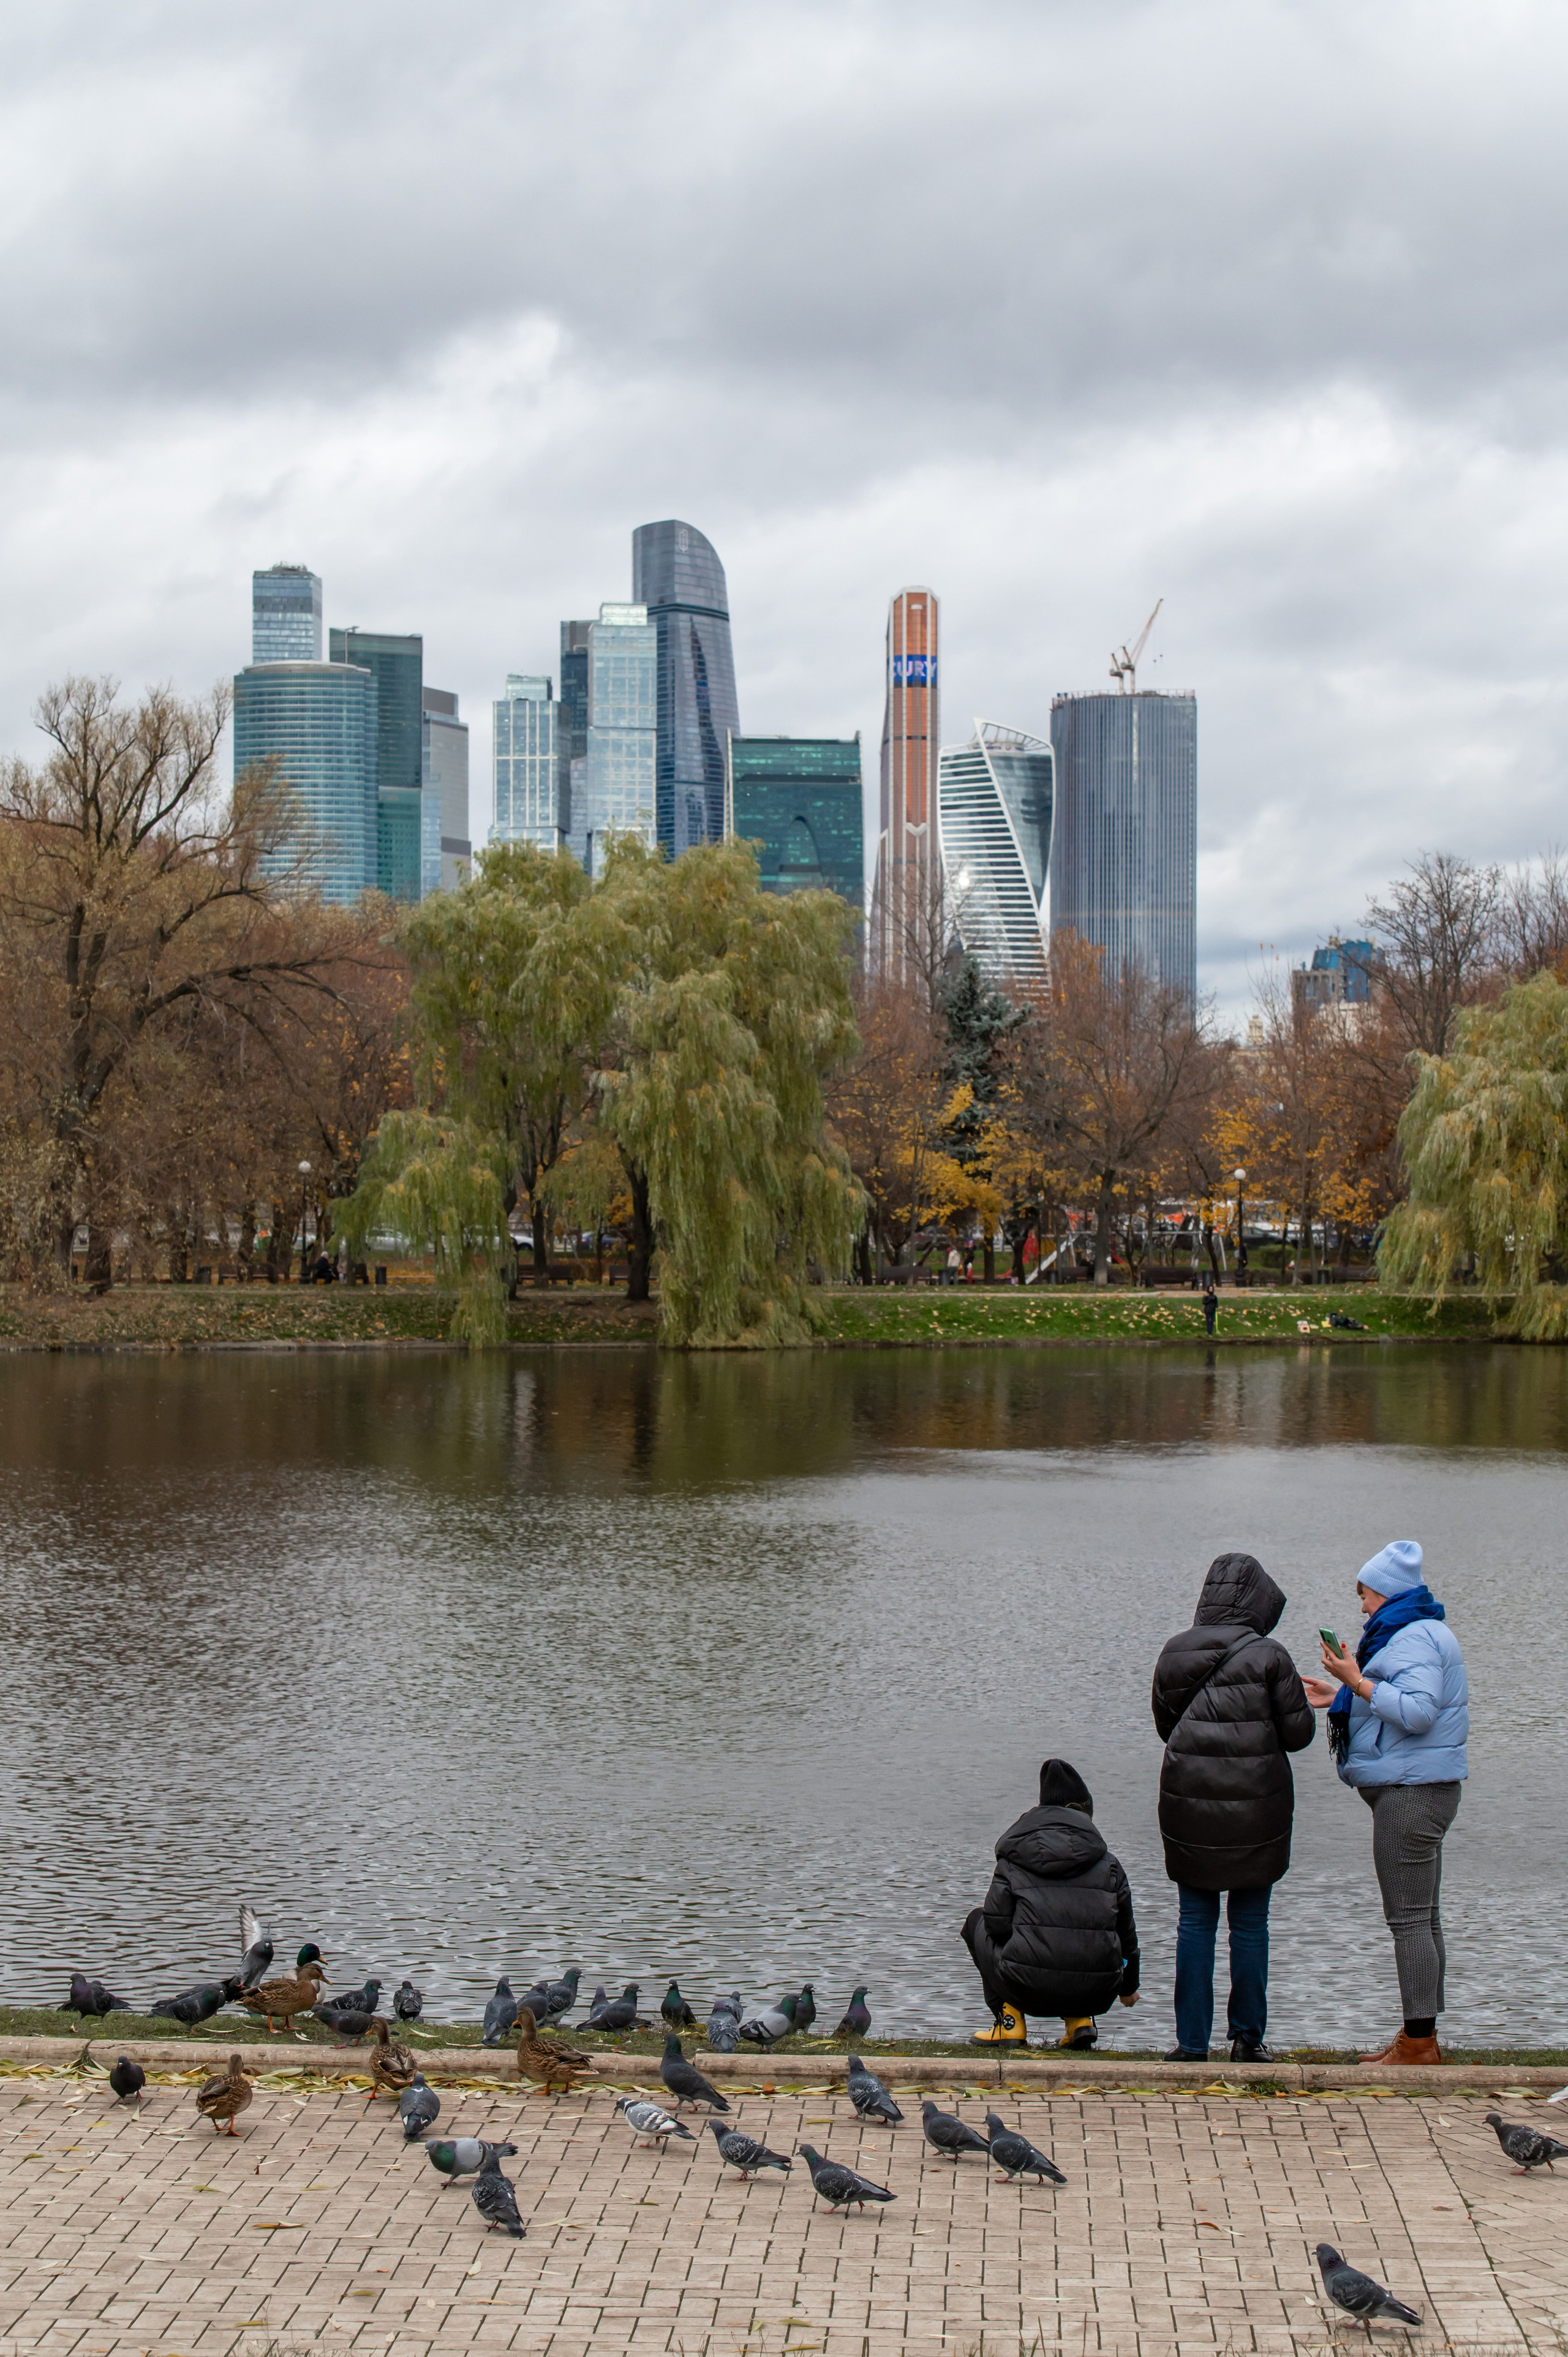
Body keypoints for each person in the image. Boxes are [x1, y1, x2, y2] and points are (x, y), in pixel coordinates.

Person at [1302, 1539, 1468, 2066]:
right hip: (1423, 1788)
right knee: (1424, 1917)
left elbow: (1418, 1713)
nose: (1363, 1607)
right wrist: (1341, 1695)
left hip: (1410, 1795)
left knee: (1409, 1921)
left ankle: (1418, 2045)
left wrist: (1355, 1680)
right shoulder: (1419, 1631)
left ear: (1388, 1593)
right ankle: (1421, 2036)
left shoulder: (1414, 1637)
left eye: (1366, 1595)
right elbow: (1401, 1698)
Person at [1151, 1553, 1316, 2062]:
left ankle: (1191, 2044)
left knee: (1194, 1922)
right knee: (1249, 1924)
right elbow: (1299, 1734)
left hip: (1189, 1803)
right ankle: (1248, 2039)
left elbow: (1166, 1726)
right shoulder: (1270, 1656)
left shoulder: (1175, 1651)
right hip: (1256, 1809)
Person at [962, 1758, 1139, 2051]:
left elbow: (996, 1924)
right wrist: (1129, 1986)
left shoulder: (1014, 1857)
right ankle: (1080, 2021)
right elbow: (1126, 1934)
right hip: (1097, 1991)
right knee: (1087, 1935)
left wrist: (1028, 1941)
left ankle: (1009, 2024)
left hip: (1025, 1986)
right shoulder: (1110, 1864)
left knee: (976, 1922)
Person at [1202, 1268, 1218, 1335]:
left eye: (1212, 1289)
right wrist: (1209, 1300)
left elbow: (1216, 1302)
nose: (1211, 1290)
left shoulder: (1214, 1296)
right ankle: (1209, 1332)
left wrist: (1216, 1306)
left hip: (1213, 1310)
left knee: (1212, 1321)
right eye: (1210, 1289)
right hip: (1208, 1310)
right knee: (1209, 1320)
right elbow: (1204, 1302)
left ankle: (1211, 1332)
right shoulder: (1206, 1296)